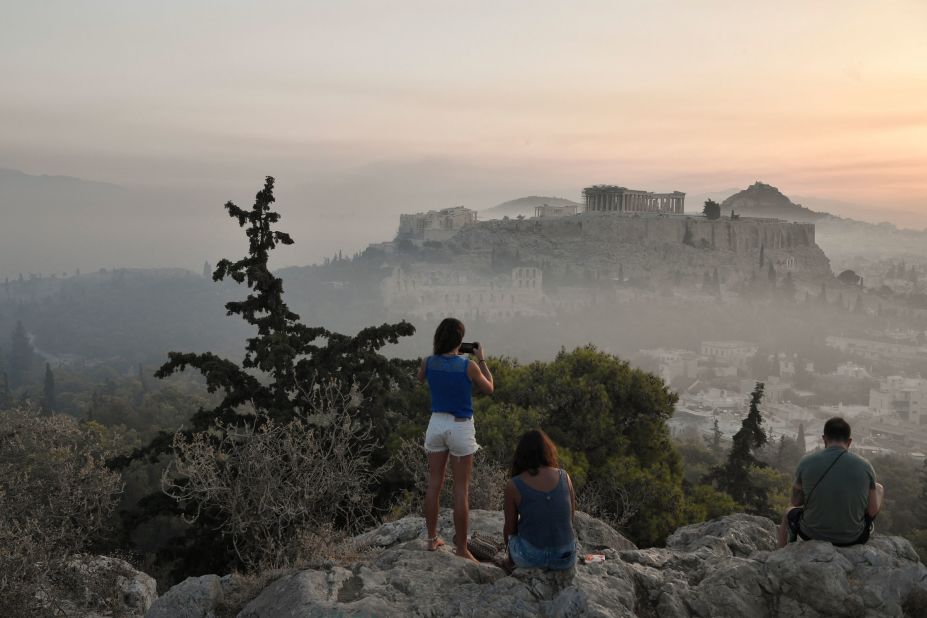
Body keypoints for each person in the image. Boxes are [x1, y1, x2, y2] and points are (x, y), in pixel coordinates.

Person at [418, 317, 494, 561]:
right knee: (460, 490)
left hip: (436, 423)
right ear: (460, 341)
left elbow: (420, 379)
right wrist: (481, 358)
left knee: (434, 484)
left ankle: (431, 540)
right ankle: (462, 548)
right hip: (460, 427)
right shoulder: (468, 365)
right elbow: (489, 388)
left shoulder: (428, 362)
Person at [777, 417, 885, 548]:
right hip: (853, 538)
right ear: (849, 441)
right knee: (878, 488)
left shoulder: (806, 462)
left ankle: (780, 551)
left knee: (788, 511)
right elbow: (872, 511)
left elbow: (795, 502)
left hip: (810, 533)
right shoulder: (865, 466)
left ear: (824, 439)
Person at [503, 429, 577, 570]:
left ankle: (508, 563)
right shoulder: (564, 477)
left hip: (531, 559)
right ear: (548, 451)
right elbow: (570, 518)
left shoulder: (514, 484)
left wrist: (511, 559)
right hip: (565, 558)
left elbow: (510, 529)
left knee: (514, 536)